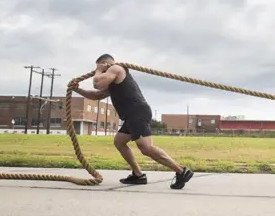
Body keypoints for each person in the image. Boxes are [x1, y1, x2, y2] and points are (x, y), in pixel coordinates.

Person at [71, 53, 193, 190]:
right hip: (130, 116)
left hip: (137, 112)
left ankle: (181, 171)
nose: (97, 71)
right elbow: (97, 95)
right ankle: (138, 174)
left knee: (146, 148)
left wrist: (99, 70)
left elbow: (97, 84)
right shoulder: (112, 80)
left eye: (99, 66)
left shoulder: (116, 69)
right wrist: (78, 90)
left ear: (105, 64)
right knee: (119, 141)